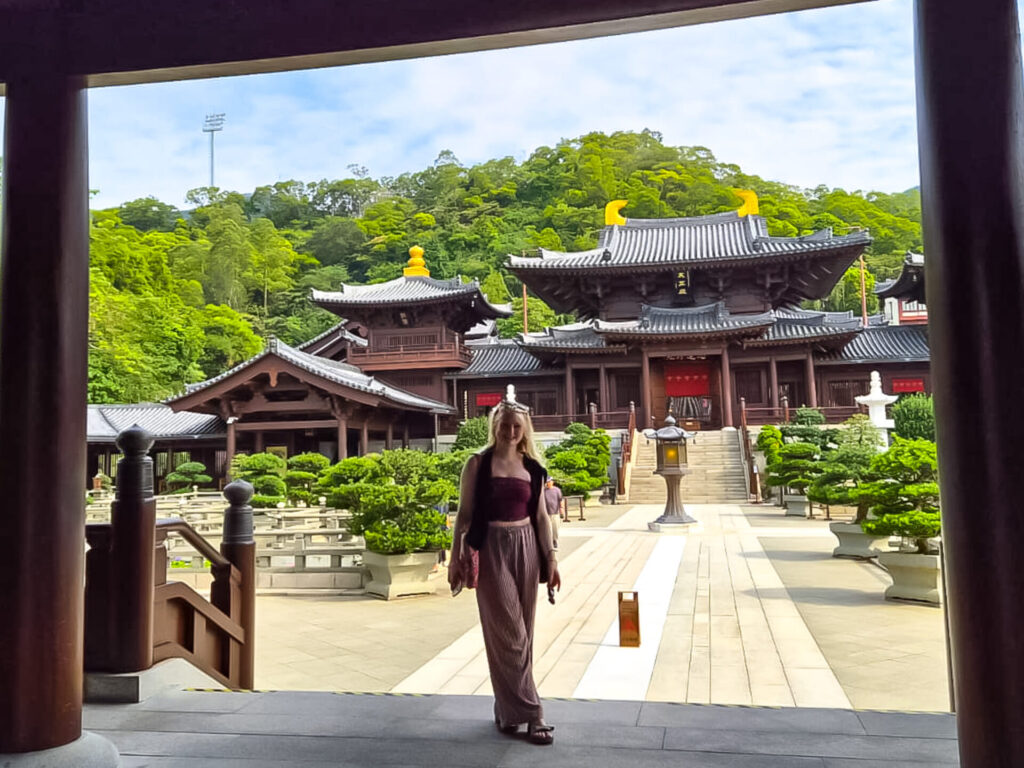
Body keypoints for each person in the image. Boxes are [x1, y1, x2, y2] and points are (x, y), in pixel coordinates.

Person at [449, 389, 561, 746]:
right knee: (509, 633)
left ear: (524, 430)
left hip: (527, 546)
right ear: (494, 426)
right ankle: (533, 712)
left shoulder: (533, 468)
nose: (510, 431)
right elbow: (463, 516)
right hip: (492, 546)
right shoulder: (478, 464)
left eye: (517, 426)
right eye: (504, 425)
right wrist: (454, 556)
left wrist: (552, 558)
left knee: (523, 633)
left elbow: (542, 518)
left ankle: (507, 709)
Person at [543, 477, 565, 548]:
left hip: (555, 512)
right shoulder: (543, 491)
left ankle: (554, 540)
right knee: (548, 528)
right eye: (547, 482)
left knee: (555, 528)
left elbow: (560, 500)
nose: (548, 483)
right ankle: (549, 542)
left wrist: (561, 510)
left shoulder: (557, 490)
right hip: (546, 513)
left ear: (552, 482)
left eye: (549, 482)